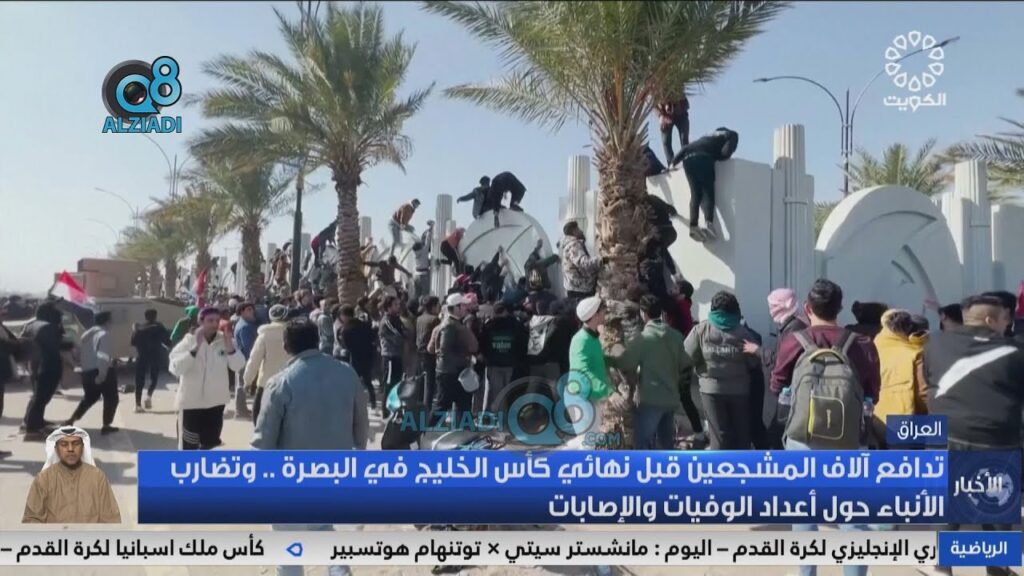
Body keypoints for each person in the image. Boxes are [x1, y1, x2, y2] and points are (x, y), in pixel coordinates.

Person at [770, 279, 880, 576]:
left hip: (802, 439)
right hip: (849, 441)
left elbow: (776, 384)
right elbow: (873, 392)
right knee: (852, 520)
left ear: (807, 308)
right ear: (839, 308)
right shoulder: (862, 343)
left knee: (804, 515)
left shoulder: (795, 340)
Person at [252, 320, 368, 576]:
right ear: (317, 341)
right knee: (321, 527)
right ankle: (339, 571)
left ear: (286, 346)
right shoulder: (346, 373)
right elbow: (361, 422)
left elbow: (264, 440)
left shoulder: (281, 382)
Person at [921, 293, 1023, 576]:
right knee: (995, 508)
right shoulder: (1015, 352)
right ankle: (997, 568)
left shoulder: (935, 344)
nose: (1008, 324)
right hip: (995, 440)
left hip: (943, 437)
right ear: (990, 320)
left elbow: (929, 380)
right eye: (1005, 319)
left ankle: (942, 568)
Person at [683, 291, 762, 450]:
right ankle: (742, 464)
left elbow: (686, 357)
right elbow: (754, 362)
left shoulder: (701, 330)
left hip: (710, 391)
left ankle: (719, 464)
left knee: (718, 436)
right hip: (739, 390)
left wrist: (700, 366)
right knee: (741, 434)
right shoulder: (743, 333)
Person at [615, 296, 692, 450]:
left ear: (643, 313)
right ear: (661, 312)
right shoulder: (675, 336)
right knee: (666, 443)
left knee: (642, 443)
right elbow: (685, 363)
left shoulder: (642, 339)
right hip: (671, 398)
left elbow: (625, 363)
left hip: (651, 399)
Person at [169, 307, 245, 450]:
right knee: (188, 448)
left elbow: (238, 365)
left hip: (216, 403)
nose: (214, 324)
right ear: (201, 322)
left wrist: (229, 345)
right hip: (191, 404)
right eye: (210, 321)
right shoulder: (189, 341)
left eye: (217, 320)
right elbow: (175, 368)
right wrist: (195, 348)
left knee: (209, 444)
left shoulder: (225, 341)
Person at [22, 426, 120, 524]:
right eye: (64, 444)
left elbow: (111, 518)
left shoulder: (97, 478)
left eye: (76, 443)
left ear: (83, 447)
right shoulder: (44, 479)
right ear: (56, 449)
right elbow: (31, 519)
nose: (70, 449)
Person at [872, 309, 929, 447]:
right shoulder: (916, 354)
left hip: (876, 420)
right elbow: (923, 394)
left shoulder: (876, 344)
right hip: (904, 425)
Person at [671, 126, 739, 242]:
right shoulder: (732, 135)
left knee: (695, 194)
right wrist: (718, 157)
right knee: (708, 192)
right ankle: (709, 224)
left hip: (688, 159)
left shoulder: (707, 136)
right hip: (704, 158)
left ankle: (693, 226)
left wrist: (672, 164)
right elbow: (725, 153)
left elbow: (685, 148)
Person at [565, 296, 613, 448]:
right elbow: (583, 372)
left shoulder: (591, 338)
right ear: (595, 315)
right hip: (580, 398)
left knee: (588, 441)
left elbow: (596, 362)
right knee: (588, 445)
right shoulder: (581, 340)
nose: (605, 313)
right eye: (603, 310)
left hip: (590, 397)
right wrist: (609, 391)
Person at [21, 302, 72, 441]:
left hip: (34, 364)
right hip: (47, 366)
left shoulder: (32, 324)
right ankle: (32, 430)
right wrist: (68, 342)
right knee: (42, 397)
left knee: (38, 396)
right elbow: (54, 347)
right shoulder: (47, 327)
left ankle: (34, 422)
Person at [63, 311, 119, 434]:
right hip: (101, 371)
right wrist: (102, 375)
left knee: (89, 398)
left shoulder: (86, 335)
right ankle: (106, 425)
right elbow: (103, 356)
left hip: (87, 371)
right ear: (107, 321)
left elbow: (79, 354)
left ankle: (72, 419)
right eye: (111, 320)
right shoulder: (104, 335)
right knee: (111, 398)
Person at [428, 293, 478, 426]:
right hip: (451, 373)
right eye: (463, 306)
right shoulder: (450, 326)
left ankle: (464, 432)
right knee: (443, 405)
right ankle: (425, 430)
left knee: (462, 404)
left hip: (453, 371)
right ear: (456, 308)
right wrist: (462, 359)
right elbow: (445, 350)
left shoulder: (452, 323)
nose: (466, 308)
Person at [243, 304, 290, 424]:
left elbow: (254, 360)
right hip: (290, 382)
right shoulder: (293, 333)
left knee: (260, 419)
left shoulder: (264, 335)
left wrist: (247, 381)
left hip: (266, 383)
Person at [479, 302, 528, 412]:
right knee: (509, 392)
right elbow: (523, 344)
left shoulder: (488, 325)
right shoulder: (516, 324)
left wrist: (486, 357)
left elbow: (482, 343)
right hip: (511, 363)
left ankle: (494, 415)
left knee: (494, 392)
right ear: (506, 311)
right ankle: (506, 416)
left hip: (493, 364)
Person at [338, 304, 378, 410]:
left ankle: (352, 403)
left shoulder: (345, 329)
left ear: (344, 315)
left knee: (352, 382)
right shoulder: (364, 325)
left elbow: (346, 345)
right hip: (367, 357)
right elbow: (372, 337)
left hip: (355, 358)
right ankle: (373, 401)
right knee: (368, 381)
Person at [131, 308, 170, 412]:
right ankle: (148, 397)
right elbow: (167, 341)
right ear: (155, 316)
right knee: (154, 378)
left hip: (142, 356)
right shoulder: (159, 326)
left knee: (139, 380)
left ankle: (138, 405)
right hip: (155, 356)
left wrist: (134, 330)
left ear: (145, 317)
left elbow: (133, 342)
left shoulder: (139, 327)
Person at [378, 295, 405, 418]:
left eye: (398, 304)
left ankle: (395, 409)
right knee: (389, 384)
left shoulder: (397, 319)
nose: (398, 307)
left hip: (397, 356)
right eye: (395, 305)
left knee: (397, 384)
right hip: (389, 357)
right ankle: (385, 411)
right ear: (388, 307)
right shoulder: (387, 321)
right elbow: (399, 337)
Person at [560, 221, 602, 300]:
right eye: (578, 229)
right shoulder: (573, 245)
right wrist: (602, 260)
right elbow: (583, 263)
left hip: (575, 289)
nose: (581, 231)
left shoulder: (568, 246)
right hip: (580, 291)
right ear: (574, 231)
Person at [232, 302, 260, 420]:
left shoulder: (245, 324)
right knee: (242, 385)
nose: (252, 311)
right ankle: (240, 411)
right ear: (242, 312)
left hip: (242, 357)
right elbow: (248, 346)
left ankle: (241, 409)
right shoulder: (245, 327)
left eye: (252, 309)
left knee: (241, 384)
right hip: (245, 358)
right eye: (249, 309)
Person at [417, 296, 442, 409]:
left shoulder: (419, 318)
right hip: (430, 354)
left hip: (420, 353)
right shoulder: (435, 320)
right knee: (429, 385)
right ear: (433, 306)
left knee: (422, 382)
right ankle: (426, 409)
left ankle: (419, 407)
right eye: (437, 305)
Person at [656, 90, 690, 165]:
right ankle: (671, 164)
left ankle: (688, 161)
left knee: (684, 138)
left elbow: (680, 90)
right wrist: (660, 115)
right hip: (665, 114)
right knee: (666, 141)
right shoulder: (654, 87)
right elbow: (653, 101)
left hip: (680, 111)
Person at [412, 220, 435, 298]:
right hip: (423, 275)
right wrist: (431, 228)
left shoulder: (415, 253)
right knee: (425, 295)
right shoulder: (424, 251)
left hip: (416, 275)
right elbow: (428, 241)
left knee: (417, 295)